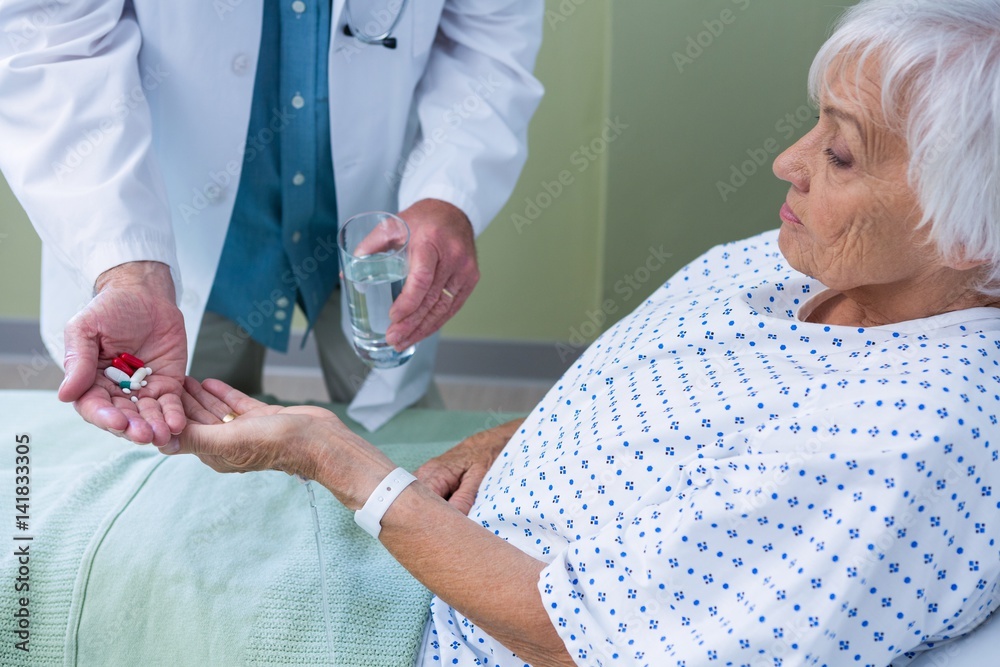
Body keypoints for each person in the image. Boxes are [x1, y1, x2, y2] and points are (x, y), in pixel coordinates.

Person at [167, 0, 1000, 664]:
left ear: (964, 232)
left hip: (432, 628)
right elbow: (673, 397)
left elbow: (590, 640)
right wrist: (507, 437)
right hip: (438, 532)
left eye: (842, 154)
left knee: (89, 560)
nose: (788, 159)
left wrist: (336, 459)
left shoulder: (912, 436)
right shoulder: (814, 263)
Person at [0, 0, 544, 443]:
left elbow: (489, 38)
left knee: (402, 435)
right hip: (177, 224)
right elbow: (53, 46)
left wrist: (447, 193)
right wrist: (129, 265)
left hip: (373, 224)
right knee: (184, 439)